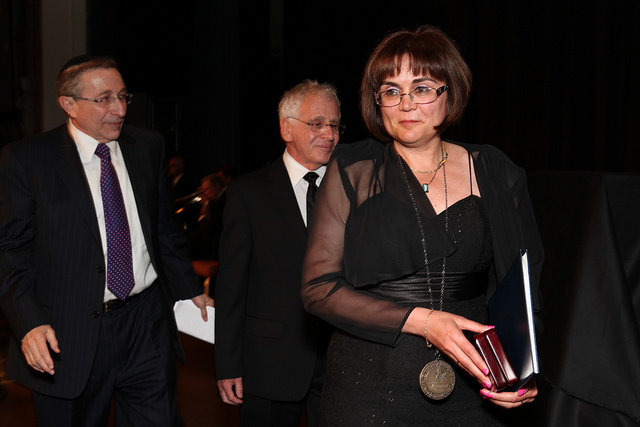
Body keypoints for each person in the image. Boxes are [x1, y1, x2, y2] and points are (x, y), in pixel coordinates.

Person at [300, 26, 544, 425]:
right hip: (368, 386)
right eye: (392, 91)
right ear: (378, 102)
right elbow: (318, 290)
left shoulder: (496, 171)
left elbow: (522, 285)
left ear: (451, 92)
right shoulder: (352, 169)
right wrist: (424, 322)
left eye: (423, 87)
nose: (406, 104)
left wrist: (523, 367)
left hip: (474, 383)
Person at [0, 55, 213, 426]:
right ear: (68, 104)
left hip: (146, 324)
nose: (119, 109)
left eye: (123, 96)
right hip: (67, 333)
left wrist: (188, 288)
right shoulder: (27, 160)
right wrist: (29, 322)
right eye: (103, 99)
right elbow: (10, 252)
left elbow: (162, 230)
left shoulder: (147, 147)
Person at [215, 79, 341, 426]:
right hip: (269, 365)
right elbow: (231, 287)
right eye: (317, 123)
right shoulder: (248, 193)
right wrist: (227, 363)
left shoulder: (352, 188)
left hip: (341, 364)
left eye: (334, 124)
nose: (329, 134)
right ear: (286, 128)